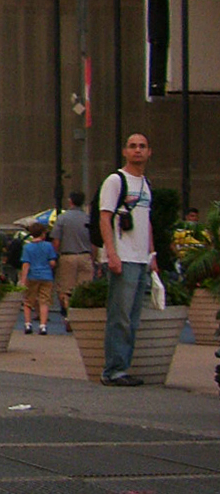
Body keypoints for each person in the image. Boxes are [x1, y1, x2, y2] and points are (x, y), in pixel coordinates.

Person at [100, 131, 154, 386]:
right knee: (119, 316)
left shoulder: (145, 184)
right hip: (123, 256)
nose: (137, 150)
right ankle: (113, 370)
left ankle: (123, 366)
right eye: (132, 146)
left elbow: (147, 222)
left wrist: (152, 255)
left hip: (141, 258)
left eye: (142, 146)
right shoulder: (115, 180)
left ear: (149, 152)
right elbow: (104, 217)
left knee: (132, 317)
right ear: (125, 151)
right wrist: (112, 253)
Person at [53, 191, 95, 317]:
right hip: (85, 256)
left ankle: (68, 315)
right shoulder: (88, 218)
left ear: (70, 201)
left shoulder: (62, 218)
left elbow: (56, 241)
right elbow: (94, 241)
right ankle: (81, 316)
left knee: (65, 290)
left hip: (67, 256)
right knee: (84, 289)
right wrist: (92, 257)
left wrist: (55, 256)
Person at [19, 221, 57, 335]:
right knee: (44, 301)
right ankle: (43, 325)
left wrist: (23, 279)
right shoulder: (48, 246)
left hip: (32, 276)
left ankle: (27, 324)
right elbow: (52, 262)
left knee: (28, 301)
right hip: (46, 276)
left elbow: (26, 264)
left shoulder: (27, 247)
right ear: (43, 234)